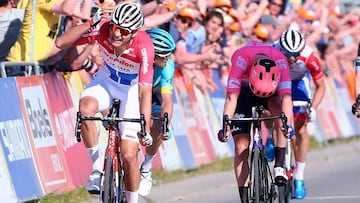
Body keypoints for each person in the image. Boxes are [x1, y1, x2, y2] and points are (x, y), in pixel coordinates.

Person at [55, 2, 154, 203]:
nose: (116, 34)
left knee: (128, 155)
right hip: (106, 82)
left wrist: (145, 126)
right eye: (115, 27)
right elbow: (60, 43)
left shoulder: (144, 47)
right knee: (85, 109)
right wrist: (91, 22)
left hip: (131, 92)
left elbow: (145, 91)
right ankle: (97, 169)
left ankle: (133, 200)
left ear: (134, 33)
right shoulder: (103, 29)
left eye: (124, 31)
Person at [217, 40, 294, 203]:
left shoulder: (281, 61)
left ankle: (279, 165)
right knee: (241, 147)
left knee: (280, 117)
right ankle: (244, 199)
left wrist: (288, 127)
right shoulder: (240, 59)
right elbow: (231, 98)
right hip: (244, 92)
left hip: (271, 94)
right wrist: (225, 127)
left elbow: (287, 99)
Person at [272, 29, 325, 199]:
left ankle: (299, 177)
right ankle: (270, 141)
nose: (292, 58)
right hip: (277, 82)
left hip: (298, 86)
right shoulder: (273, 51)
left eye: (296, 54)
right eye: (288, 54)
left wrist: (313, 108)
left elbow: (321, 86)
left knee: (300, 130)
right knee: (272, 112)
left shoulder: (309, 56)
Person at [138, 28, 176, 197]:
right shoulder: (136, 61)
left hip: (153, 93)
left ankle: (146, 167)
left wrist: (166, 124)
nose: (169, 59)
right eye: (165, 55)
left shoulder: (167, 68)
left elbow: (167, 100)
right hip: (134, 89)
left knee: (159, 125)